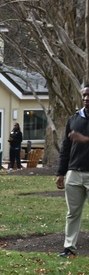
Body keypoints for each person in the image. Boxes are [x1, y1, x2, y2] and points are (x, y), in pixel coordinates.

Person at [56, 86, 89, 258]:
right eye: (84, 95)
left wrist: (85, 139)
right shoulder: (74, 119)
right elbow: (65, 148)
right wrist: (61, 173)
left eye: (88, 95)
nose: (86, 98)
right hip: (74, 173)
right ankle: (69, 248)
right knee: (72, 213)